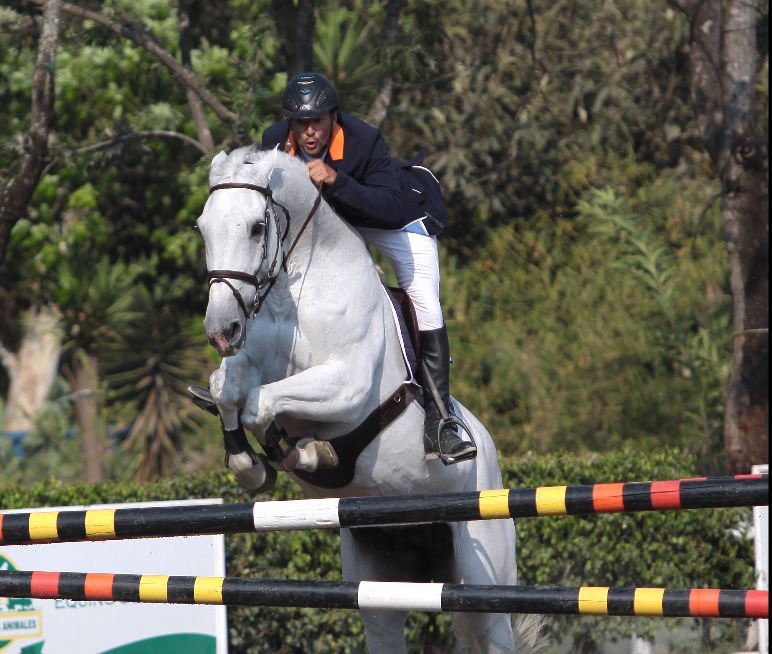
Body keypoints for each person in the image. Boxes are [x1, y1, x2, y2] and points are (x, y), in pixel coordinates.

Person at [261, 72, 476, 465]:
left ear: (333, 117)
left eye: (318, 122)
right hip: (334, 224)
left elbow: (389, 208)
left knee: (425, 301)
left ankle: (440, 418)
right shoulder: (274, 143)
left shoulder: (364, 140)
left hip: (395, 220)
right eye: (300, 123)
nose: (309, 132)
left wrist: (336, 179)